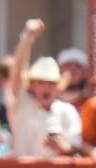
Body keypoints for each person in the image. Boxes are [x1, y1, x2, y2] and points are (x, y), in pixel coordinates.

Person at [7, 19, 82, 157]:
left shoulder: (67, 111)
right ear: (32, 85)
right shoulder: (23, 105)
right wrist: (27, 38)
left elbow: (77, 147)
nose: (46, 87)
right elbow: (17, 73)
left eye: (51, 83)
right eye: (41, 82)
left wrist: (64, 147)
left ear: (58, 86)